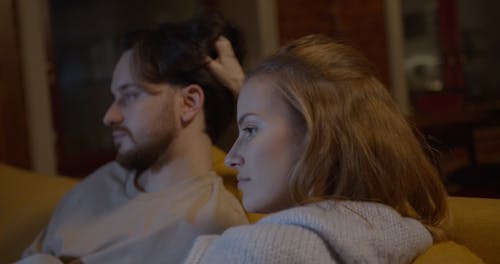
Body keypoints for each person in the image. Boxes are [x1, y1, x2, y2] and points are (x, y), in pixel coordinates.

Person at [185, 34, 449, 263]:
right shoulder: (395, 235)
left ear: (319, 138)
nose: (231, 158)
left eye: (251, 130)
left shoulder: (258, 250)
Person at [19, 13, 248, 264]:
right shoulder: (98, 185)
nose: (109, 116)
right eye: (114, 97)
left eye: (129, 96)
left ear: (189, 103)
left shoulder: (215, 224)